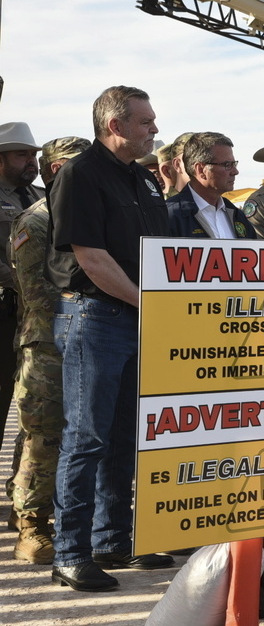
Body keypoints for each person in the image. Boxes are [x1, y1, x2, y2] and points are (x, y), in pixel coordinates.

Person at [47, 86, 173, 592]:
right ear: (115, 125)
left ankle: (113, 539)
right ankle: (70, 552)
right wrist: (153, 304)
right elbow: (92, 260)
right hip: (96, 316)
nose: (154, 130)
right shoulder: (80, 174)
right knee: (86, 437)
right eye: (145, 122)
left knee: (125, 435)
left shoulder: (144, 180)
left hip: (137, 318)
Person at [7, 137, 90, 564]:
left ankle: (70, 519)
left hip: (86, 339)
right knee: (44, 439)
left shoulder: (87, 215)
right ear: (56, 170)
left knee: (84, 437)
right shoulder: (35, 222)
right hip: (47, 345)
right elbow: (36, 293)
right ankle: (32, 529)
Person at [0, 122, 45, 447]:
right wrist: (23, 282)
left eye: (33, 155)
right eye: (21, 155)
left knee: (33, 409)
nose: (31, 161)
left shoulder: (40, 197)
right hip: (5, 310)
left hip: (32, 319)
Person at [166, 132, 257, 239]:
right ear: (200, 170)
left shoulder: (237, 215)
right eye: (227, 165)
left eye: (234, 164)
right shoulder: (170, 215)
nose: (235, 171)